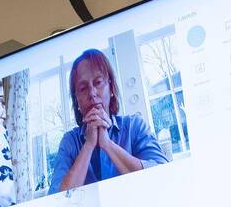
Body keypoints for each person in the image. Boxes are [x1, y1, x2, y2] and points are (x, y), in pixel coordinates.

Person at [49, 48, 169, 194]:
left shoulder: (135, 126)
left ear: (111, 88)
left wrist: (107, 144)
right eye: (83, 88)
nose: (92, 94)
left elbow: (163, 176)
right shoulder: (70, 142)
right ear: (77, 101)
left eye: (98, 82)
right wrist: (88, 145)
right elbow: (56, 199)